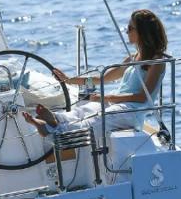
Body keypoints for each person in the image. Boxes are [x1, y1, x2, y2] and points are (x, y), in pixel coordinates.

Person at [23, 9, 168, 137]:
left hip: (132, 112)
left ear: (143, 31)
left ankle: (49, 128)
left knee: (94, 121)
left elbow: (142, 97)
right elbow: (101, 79)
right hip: (115, 103)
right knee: (82, 111)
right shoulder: (133, 57)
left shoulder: (157, 61)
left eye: (130, 28)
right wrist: (69, 79)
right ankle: (54, 120)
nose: (126, 32)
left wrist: (106, 97)